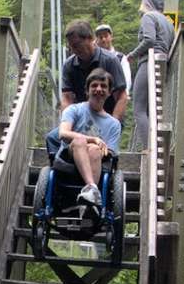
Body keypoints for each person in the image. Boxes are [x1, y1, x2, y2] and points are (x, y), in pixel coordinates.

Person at [45, 18, 127, 159]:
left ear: (90, 39)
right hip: (81, 118)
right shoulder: (69, 65)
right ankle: (59, 166)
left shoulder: (110, 60)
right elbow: (67, 97)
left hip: (106, 117)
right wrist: (69, 120)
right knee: (53, 138)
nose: (73, 50)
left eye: (77, 45)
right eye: (71, 47)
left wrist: (112, 122)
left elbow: (122, 97)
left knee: (99, 150)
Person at [57, 68, 121, 206]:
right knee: (80, 141)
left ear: (109, 92)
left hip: (96, 159)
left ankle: (91, 195)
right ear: (87, 90)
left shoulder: (114, 124)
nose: (98, 89)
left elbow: (110, 153)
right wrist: (93, 139)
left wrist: (94, 146)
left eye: (103, 86)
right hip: (70, 155)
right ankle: (92, 188)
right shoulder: (74, 110)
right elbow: (63, 133)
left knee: (94, 149)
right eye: (94, 85)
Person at [126, 0, 174, 148]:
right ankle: (154, 145)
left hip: (149, 63)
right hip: (162, 66)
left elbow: (149, 40)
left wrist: (132, 55)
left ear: (148, 2)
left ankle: (149, 148)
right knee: (150, 109)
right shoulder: (168, 23)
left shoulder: (149, 17)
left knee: (139, 109)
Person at [94, 23, 132, 94]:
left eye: (106, 36)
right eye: (100, 37)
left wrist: (124, 95)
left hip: (116, 95)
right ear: (96, 40)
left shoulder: (121, 58)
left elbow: (127, 79)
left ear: (111, 37)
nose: (103, 39)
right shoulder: (94, 59)